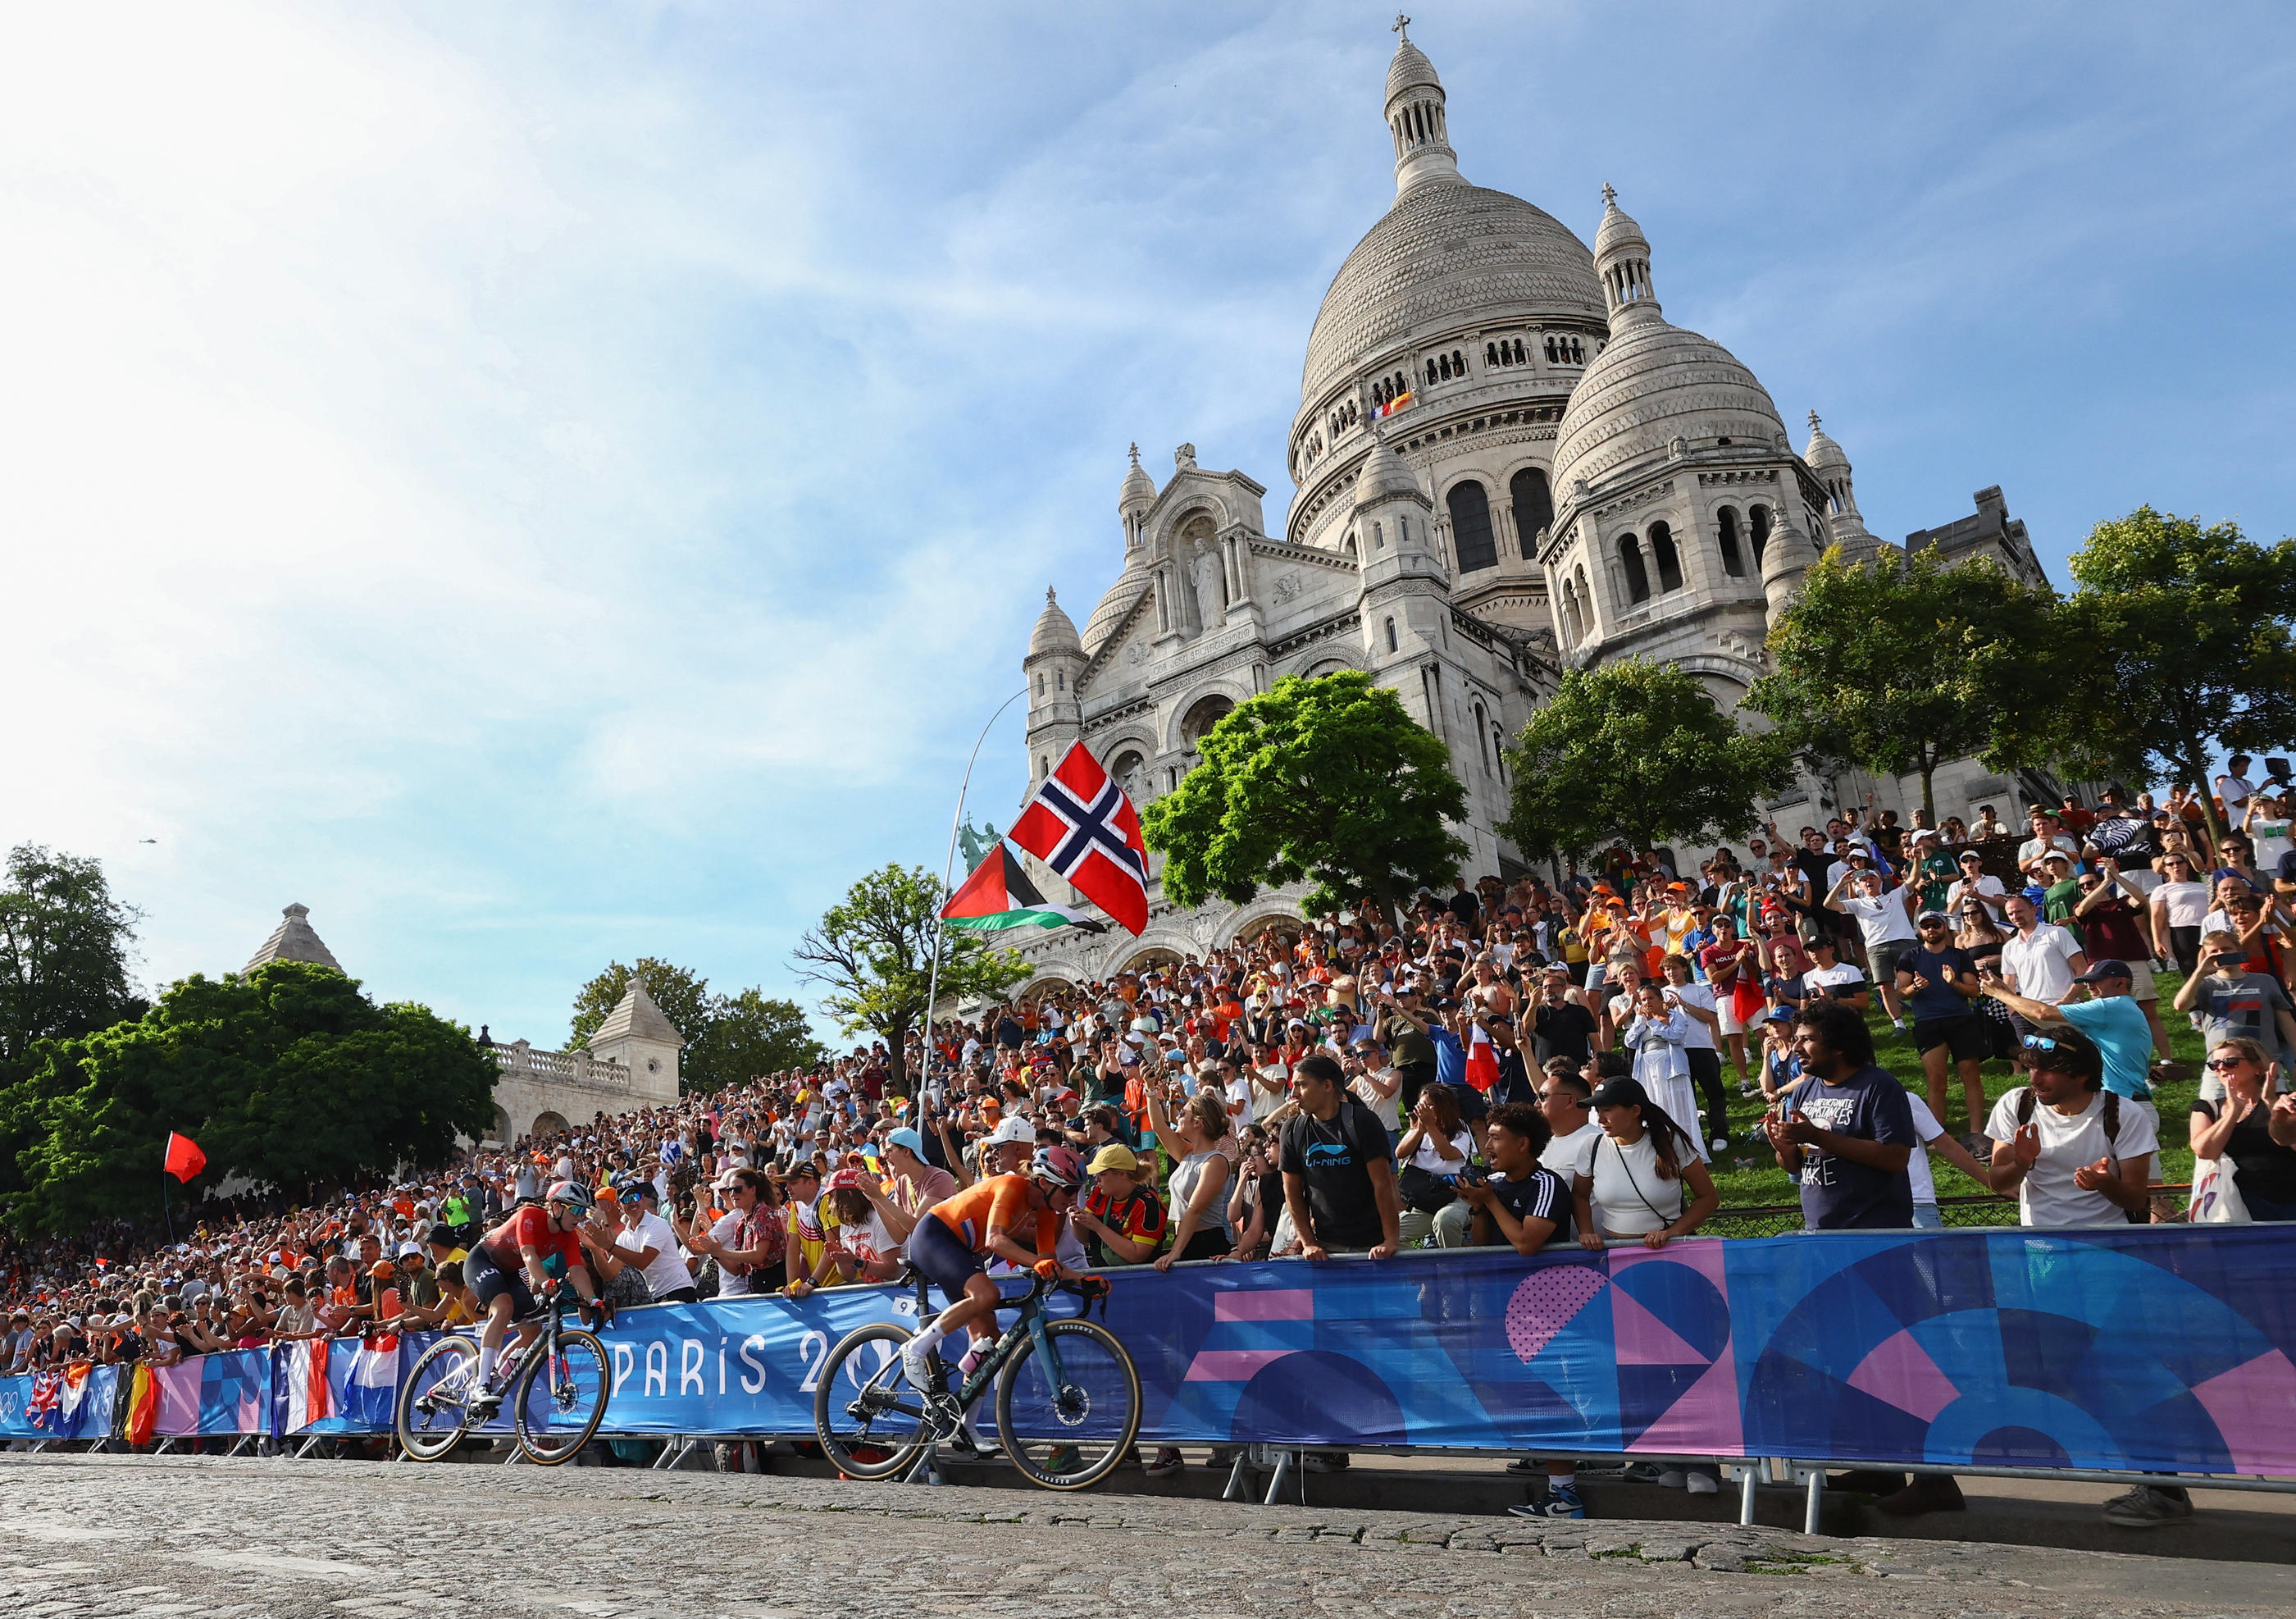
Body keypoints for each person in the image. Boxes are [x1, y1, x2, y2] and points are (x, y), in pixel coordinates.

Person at [899, 1146, 1087, 1416]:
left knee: (988, 1341)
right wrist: (1037, 1262)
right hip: (934, 1235)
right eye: (1069, 1189)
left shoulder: (1047, 1212)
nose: (1073, 1198)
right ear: (1044, 1182)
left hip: (965, 1251)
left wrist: (1084, 1279)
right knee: (987, 1294)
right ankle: (915, 1348)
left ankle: (965, 1424)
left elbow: (1049, 1264)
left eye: (1077, 1191)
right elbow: (995, 1241)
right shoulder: (1012, 1185)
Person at [1765, 1001, 1916, 1231]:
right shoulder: (1805, 1089)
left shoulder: (1879, 1087)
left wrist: (1818, 1137)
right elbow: (1796, 1166)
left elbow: (1895, 1158)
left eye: (1807, 1039)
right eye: (1797, 1038)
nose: (1796, 1048)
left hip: (1876, 1236)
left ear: (1839, 1044)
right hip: (1820, 1235)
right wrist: (1785, 1151)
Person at [461, 1180, 604, 1418]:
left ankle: (495, 1373)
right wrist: (546, 1281)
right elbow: (528, 1254)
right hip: (482, 1260)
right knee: (504, 1305)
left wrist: (594, 1301)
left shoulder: (569, 1237)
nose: (580, 1217)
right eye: (576, 1210)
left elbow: (578, 1270)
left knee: (533, 1331)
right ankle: (481, 1384)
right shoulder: (530, 1216)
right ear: (556, 1207)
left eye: (583, 1212)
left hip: (508, 1272)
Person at [1278, 1052, 1401, 1262]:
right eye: (1293, 1086)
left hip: (1372, 1247)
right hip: (1325, 1250)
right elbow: (1292, 1194)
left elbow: (1383, 1185)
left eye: (1302, 1085)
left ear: (1327, 1086)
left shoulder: (1363, 1121)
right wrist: (1308, 1243)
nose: (1294, 1094)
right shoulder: (1292, 1129)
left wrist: (1390, 1241)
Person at [1582, 1076, 1719, 1252]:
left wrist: (1672, 1233)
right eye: (1598, 1111)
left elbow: (1708, 1198)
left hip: (1667, 1251)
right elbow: (1579, 1196)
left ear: (1635, 1111)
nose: (1600, 1119)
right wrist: (1586, 1232)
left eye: (1607, 1110)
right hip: (1615, 1252)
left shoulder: (1672, 1142)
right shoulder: (1591, 1146)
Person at [1896, 910, 1987, 1134]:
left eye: (1935, 925)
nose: (1931, 930)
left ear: (1944, 927)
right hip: (1928, 1022)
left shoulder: (1959, 956)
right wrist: (1916, 987)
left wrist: (1954, 982)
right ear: (1920, 930)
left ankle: (1976, 1130)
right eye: (1926, 926)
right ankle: (1938, 1134)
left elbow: (1974, 991)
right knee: (1937, 1080)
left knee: (1971, 1074)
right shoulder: (1909, 957)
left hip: (1960, 1018)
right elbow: (1901, 992)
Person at [2191, 1039, 2296, 1220]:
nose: (2222, 1068)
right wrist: (2233, 1112)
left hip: (2288, 1202)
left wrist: (2271, 1103)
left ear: (2257, 1067)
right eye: (2215, 1065)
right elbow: (2205, 1151)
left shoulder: (2285, 1103)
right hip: (2233, 1206)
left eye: (2230, 1062)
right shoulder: (2207, 1108)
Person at [1146, 1085, 1235, 1266]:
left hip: (1206, 1245)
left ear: (1197, 1123)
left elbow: (1195, 1210)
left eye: (1183, 1114)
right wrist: (1150, 1092)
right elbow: (1158, 1127)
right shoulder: (1187, 1154)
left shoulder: (1215, 1162)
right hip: (1186, 1242)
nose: (1178, 1116)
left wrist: (1175, 1252)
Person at [1394, 1083, 1475, 1247]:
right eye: (1421, 1105)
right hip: (1427, 1199)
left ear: (1444, 1107)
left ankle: (1451, 1269)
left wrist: (1431, 1127)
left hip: (1457, 1196)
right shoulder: (1419, 1129)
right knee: (1389, 1235)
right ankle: (1421, 1270)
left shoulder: (1460, 1130)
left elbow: (1449, 1154)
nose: (1422, 1110)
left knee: (1445, 1219)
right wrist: (1419, 1130)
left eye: (1428, 1106)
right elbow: (1400, 1153)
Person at [1068, 1144, 1167, 1266]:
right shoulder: (1099, 1193)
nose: (1097, 1179)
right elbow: (1087, 1240)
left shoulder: (1148, 1204)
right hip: (1102, 1275)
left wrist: (1098, 1227)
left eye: (1102, 1174)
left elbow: (1138, 1255)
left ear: (1122, 1174)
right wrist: (1076, 1222)